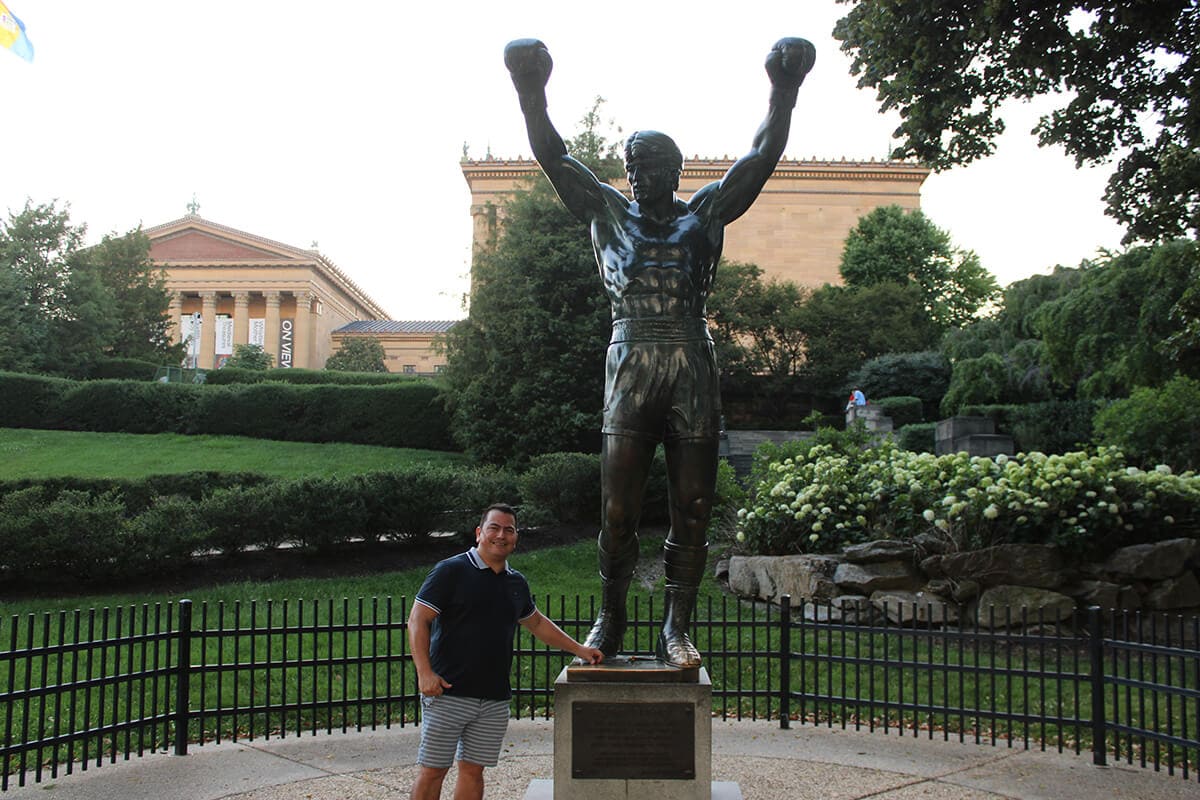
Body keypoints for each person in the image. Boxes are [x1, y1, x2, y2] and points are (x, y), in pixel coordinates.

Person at [505, 37, 814, 668]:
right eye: (631, 163)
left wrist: (784, 90)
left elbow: (761, 156)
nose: (638, 173)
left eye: (650, 163)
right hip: (631, 359)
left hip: (690, 362)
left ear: (675, 170)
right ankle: (610, 617)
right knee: (617, 507)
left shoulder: (705, 214)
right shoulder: (607, 213)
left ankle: (677, 626)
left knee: (694, 505)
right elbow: (554, 156)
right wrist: (531, 90)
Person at [408, 503, 603, 800]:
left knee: (473, 771)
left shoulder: (516, 582)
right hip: (447, 692)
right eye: (494, 528)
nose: (501, 535)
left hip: (493, 699)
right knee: (433, 770)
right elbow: (418, 619)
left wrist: (580, 649)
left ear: (516, 537)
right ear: (479, 533)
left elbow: (536, 622)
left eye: (509, 530)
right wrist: (425, 673)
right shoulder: (451, 571)